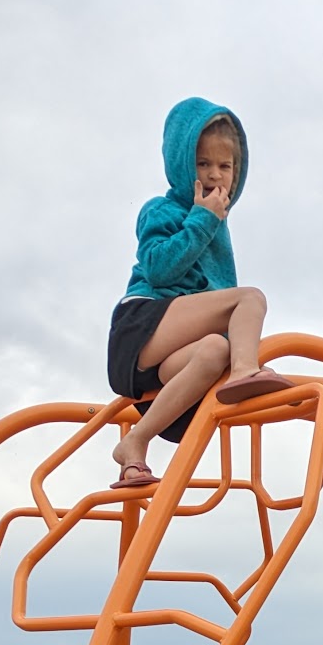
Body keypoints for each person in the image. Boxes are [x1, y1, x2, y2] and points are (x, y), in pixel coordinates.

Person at [108, 96, 291, 487]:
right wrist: (202, 219)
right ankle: (244, 371)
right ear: (182, 164)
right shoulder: (163, 210)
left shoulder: (216, 226)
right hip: (142, 325)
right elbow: (158, 268)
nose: (213, 175)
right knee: (250, 299)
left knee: (214, 349)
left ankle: (135, 443)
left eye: (224, 166)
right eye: (202, 163)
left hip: (165, 360)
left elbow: (214, 294)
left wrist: (209, 222)